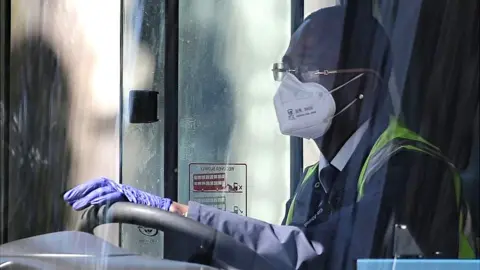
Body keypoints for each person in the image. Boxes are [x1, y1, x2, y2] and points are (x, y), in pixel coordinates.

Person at [63, 6, 476, 270]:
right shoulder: (315, 182)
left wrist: (179, 212)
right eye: (286, 70)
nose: (289, 86)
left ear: (360, 87)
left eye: (308, 71)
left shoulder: (413, 168)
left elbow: (317, 254)